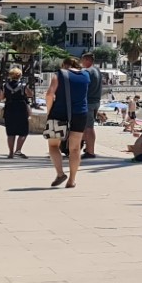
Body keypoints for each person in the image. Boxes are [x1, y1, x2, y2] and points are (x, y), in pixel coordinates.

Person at [44, 57, 91, 189]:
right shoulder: (86, 75)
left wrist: (49, 112)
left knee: (53, 146)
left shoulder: (59, 74)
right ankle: (72, 180)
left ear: (64, 65)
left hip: (58, 113)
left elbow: (49, 94)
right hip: (80, 114)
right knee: (75, 148)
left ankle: (60, 174)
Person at [1, 67, 32, 158]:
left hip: (9, 108)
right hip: (21, 108)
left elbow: (2, 97)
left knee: (10, 132)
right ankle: (18, 151)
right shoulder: (23, 85)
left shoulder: (5, 85)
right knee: (23, 131)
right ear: (20, 75)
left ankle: (10, 153)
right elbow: (30, 94)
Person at [79, 55, 104, 158]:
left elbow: (82, 87)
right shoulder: (97, 70)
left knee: (89, 127)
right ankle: (87, 146)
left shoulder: (87, 72)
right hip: (96, 101)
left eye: (83, 60)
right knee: (86, 126)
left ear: (88, 60)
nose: (81, 62)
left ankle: (90, 151)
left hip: (88, 102)